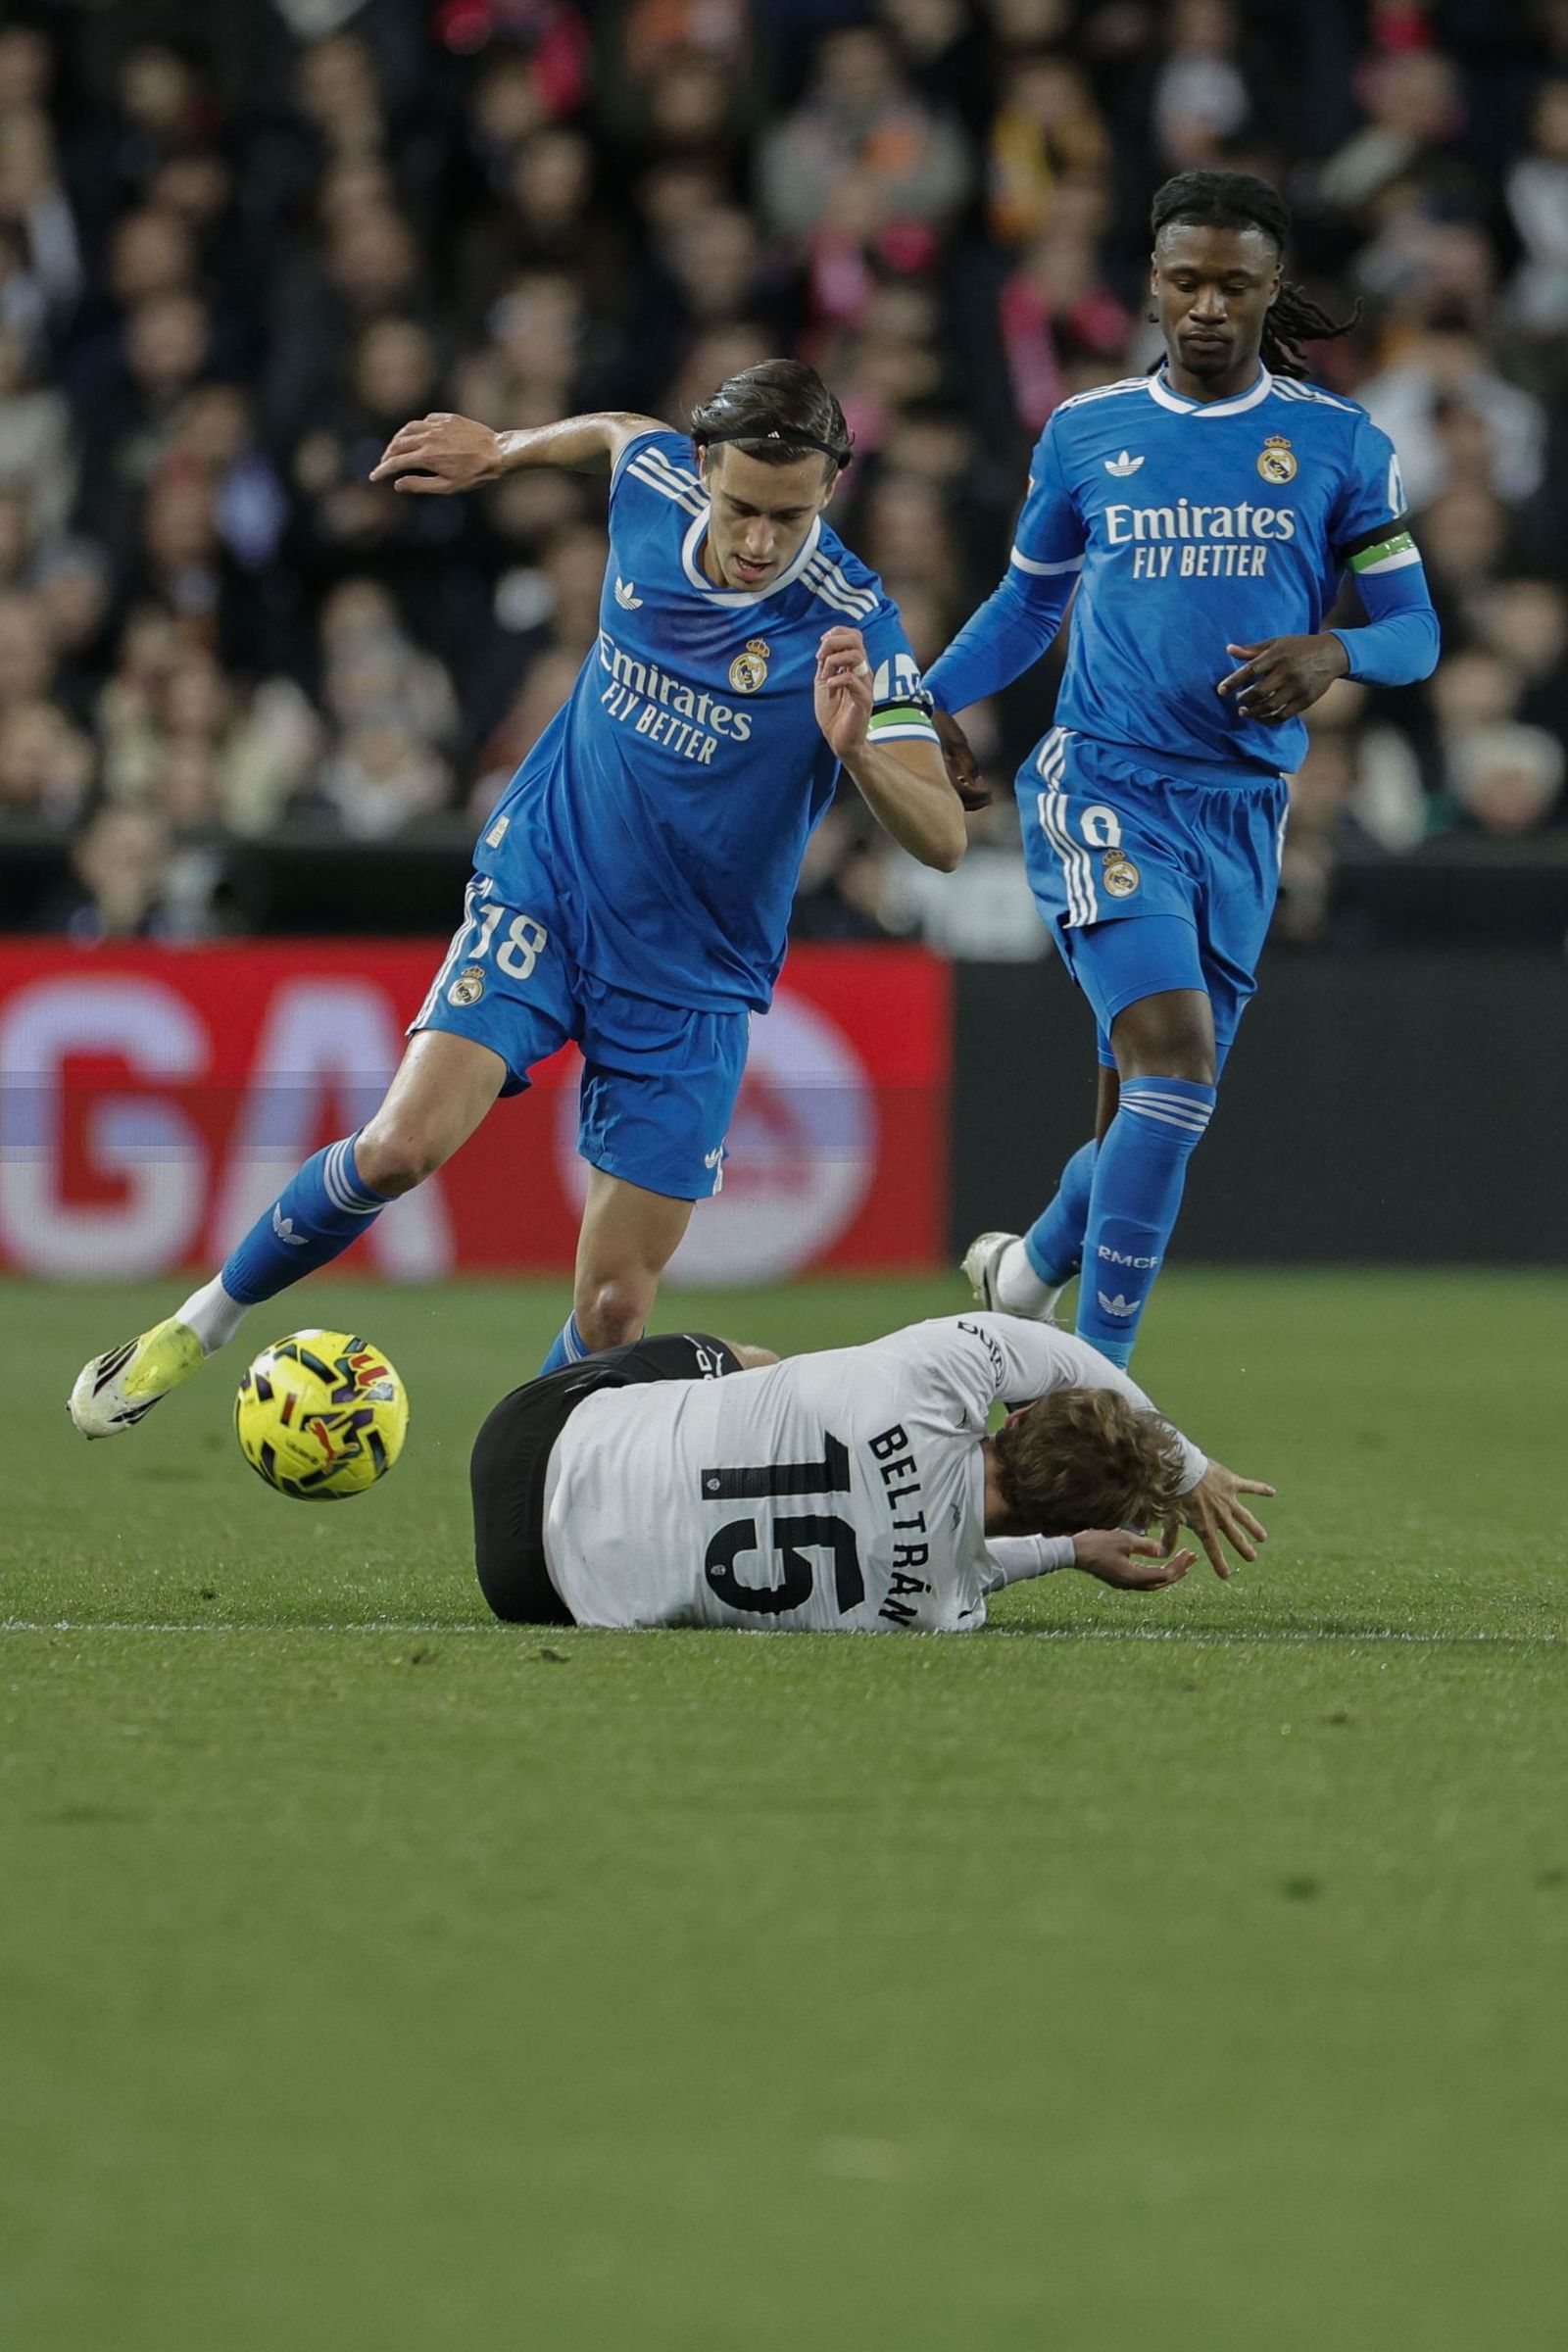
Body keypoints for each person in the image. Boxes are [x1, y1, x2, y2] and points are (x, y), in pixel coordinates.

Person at [70, 360, 963, 1439]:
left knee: (614, 1309)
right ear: (702, 471)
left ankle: (523, 1471)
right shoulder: (654, 486)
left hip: (690, 973)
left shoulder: (855, 626)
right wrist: (503, 450)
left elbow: (944, 838)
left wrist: (860, 752)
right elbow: (617, 429)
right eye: (742, 508)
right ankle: (197, 1325)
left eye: (791, 516)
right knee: (399, 1147)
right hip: (549, 886)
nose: (763, 541)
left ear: (829, 490)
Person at [930, 172, 1440, 1366]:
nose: (1207, 306)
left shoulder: (1338, 442)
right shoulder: (1085, 431)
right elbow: (1027, 605)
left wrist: (1333, 650)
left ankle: (1023, 1272)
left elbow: (1414, 632)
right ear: (1151, 285)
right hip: (1104, 782)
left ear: (1270, 290)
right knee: (1172, 1062)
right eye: (1185, 281)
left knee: (1161, 1106)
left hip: (1243, 810)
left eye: (1233, 285)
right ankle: (1096, 1389)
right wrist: (924, 701)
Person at [469, 1311, 1274, 1633]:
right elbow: (976, 1564)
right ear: (1071, 1522)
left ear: (1017, 1417)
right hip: (533, 1591)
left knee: (757, 1364)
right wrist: (1067, 1551)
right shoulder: (936, 1610)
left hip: (523, 1438)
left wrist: (1185, 1466)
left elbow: (1053, 1349)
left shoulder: (932, 1377)